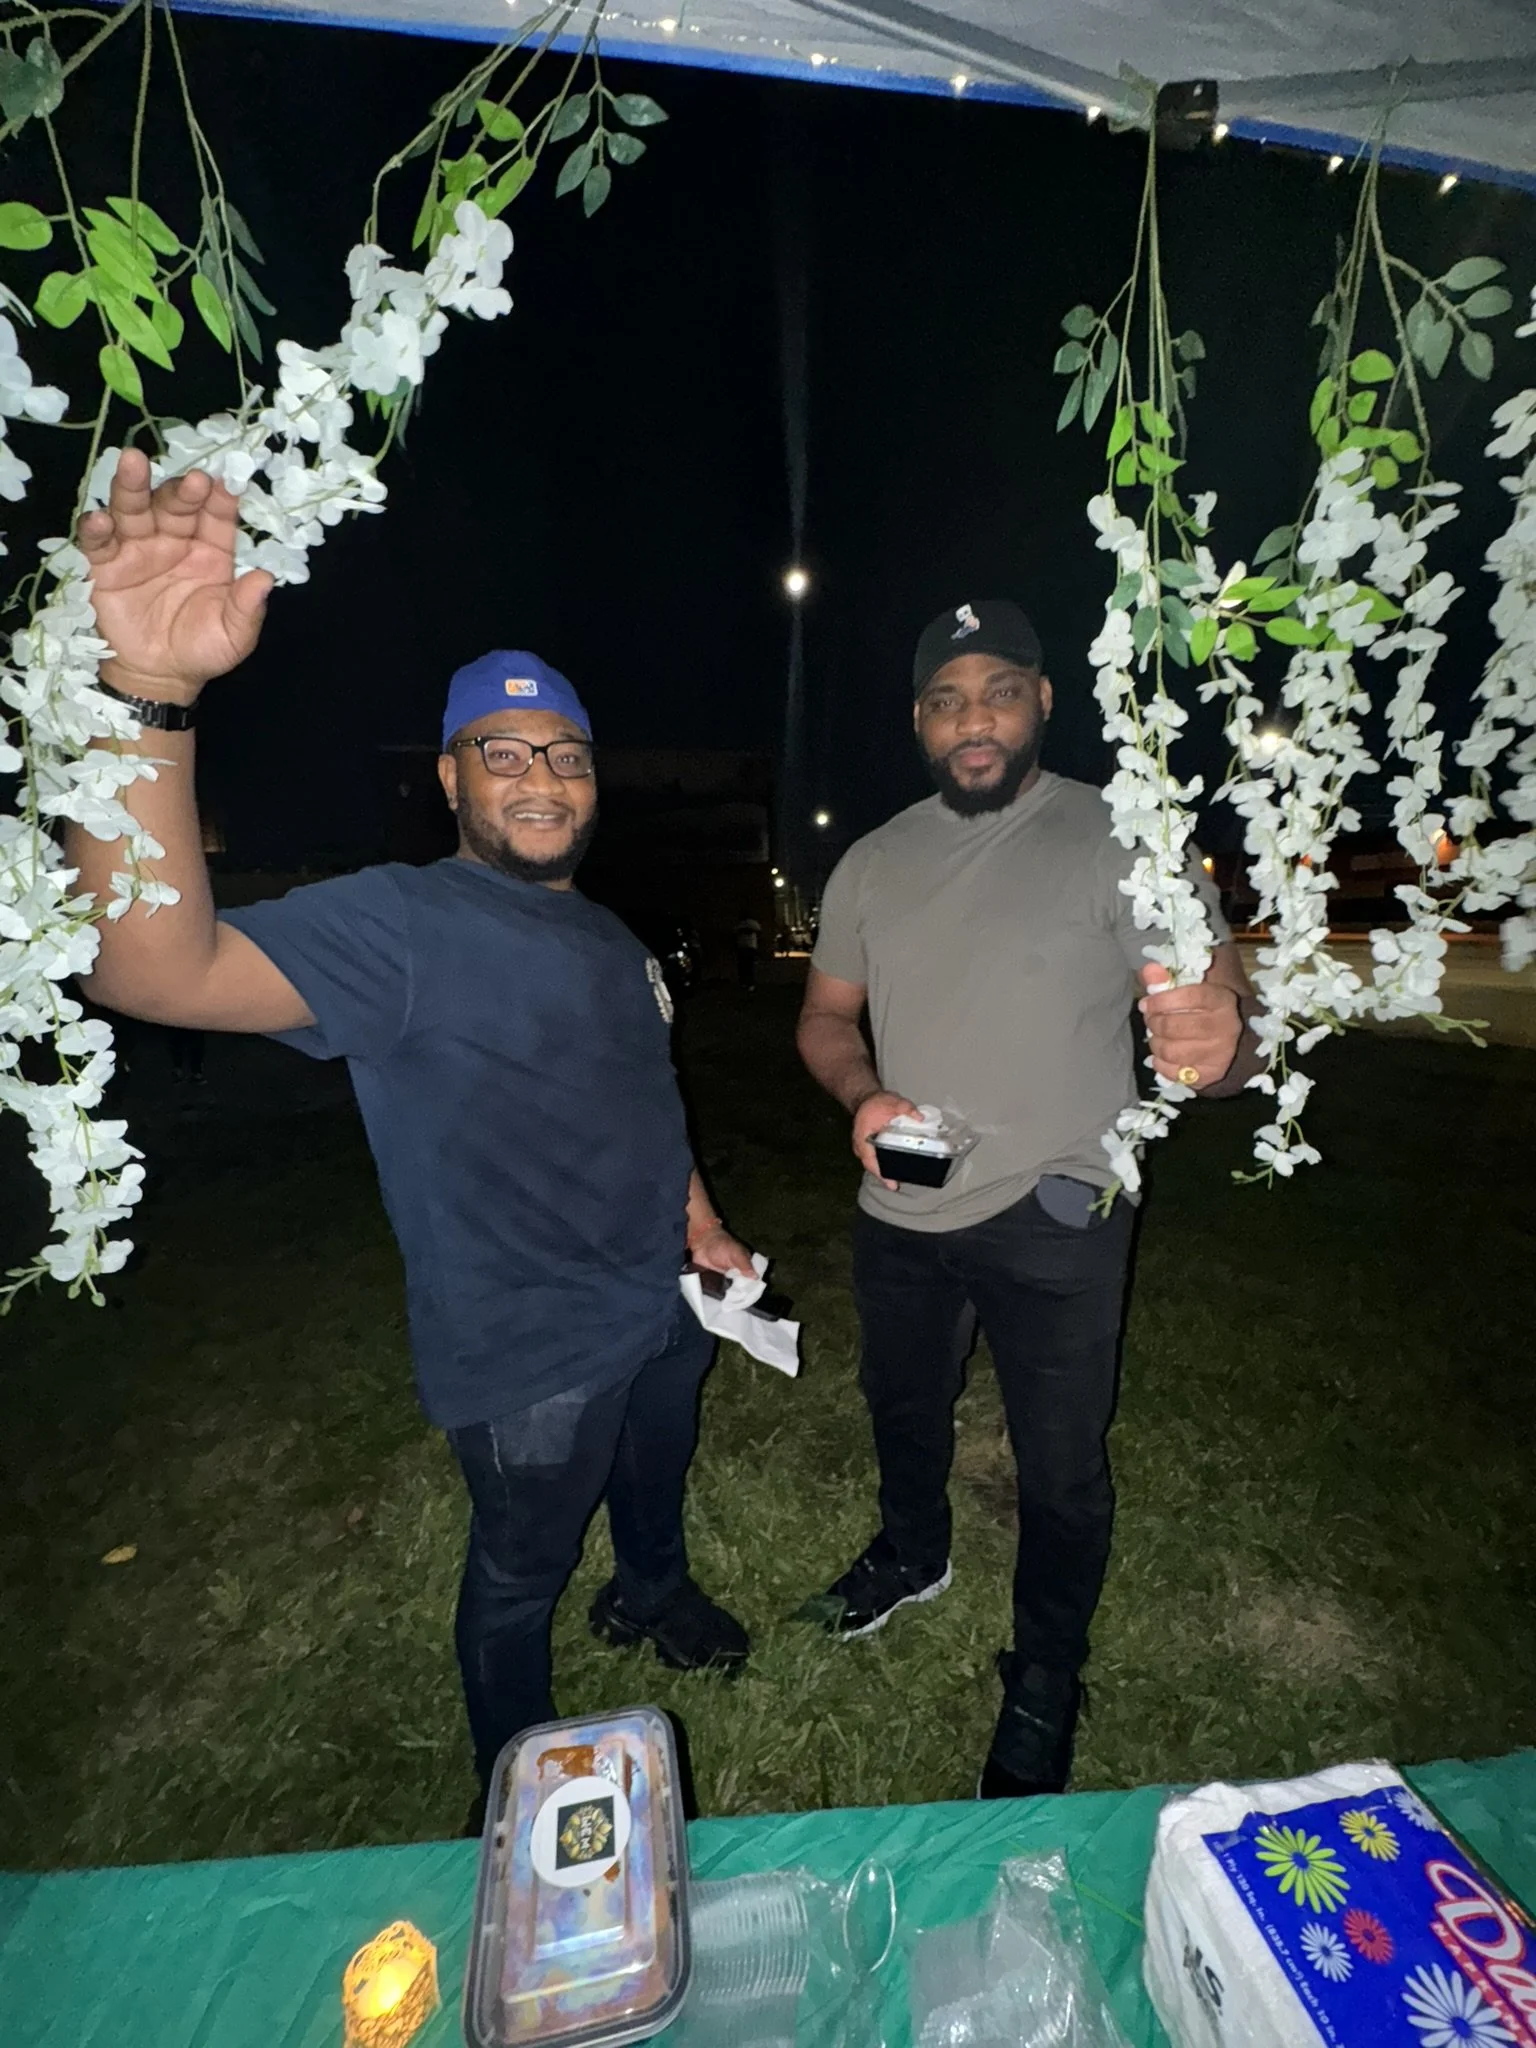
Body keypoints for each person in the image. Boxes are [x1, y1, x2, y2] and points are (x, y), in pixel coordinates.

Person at [68, 451, 756, 1809]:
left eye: (566, 753)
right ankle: (516, 1776)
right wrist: (147, 698)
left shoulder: (613, 937)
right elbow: (151, 968)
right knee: (518, 1572)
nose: (543, 776)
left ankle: (655, 1593)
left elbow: (645, 1100)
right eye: (505, 754)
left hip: (662, 1302)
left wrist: (703, 1225)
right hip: (527, 1356)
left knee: (657, 1469)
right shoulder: (399, 923)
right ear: (452, 780)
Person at [796, 598, 1261, 1799]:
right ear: (918, 721)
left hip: (1060, 1206)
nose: (974, 719)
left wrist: (1227, 1041)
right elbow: (825, 1015)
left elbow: (1224, 1029)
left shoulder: (1124, 837)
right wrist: (859, 1093)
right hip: (903, 1204)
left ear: (1045, 698)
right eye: (946, 699)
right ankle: (912, 1552)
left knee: (1061, 1465)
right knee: (902, 1404)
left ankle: (1047, 1668)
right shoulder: (872, 860)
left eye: (999, 688)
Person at [735, 914, 762, 991]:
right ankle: (746, 983)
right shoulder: (748, 923)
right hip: (746, 946)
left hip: (747, 946)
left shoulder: (746, 923)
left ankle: (748, 983)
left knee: (747, 966)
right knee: (745, 966)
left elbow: (758, 930)